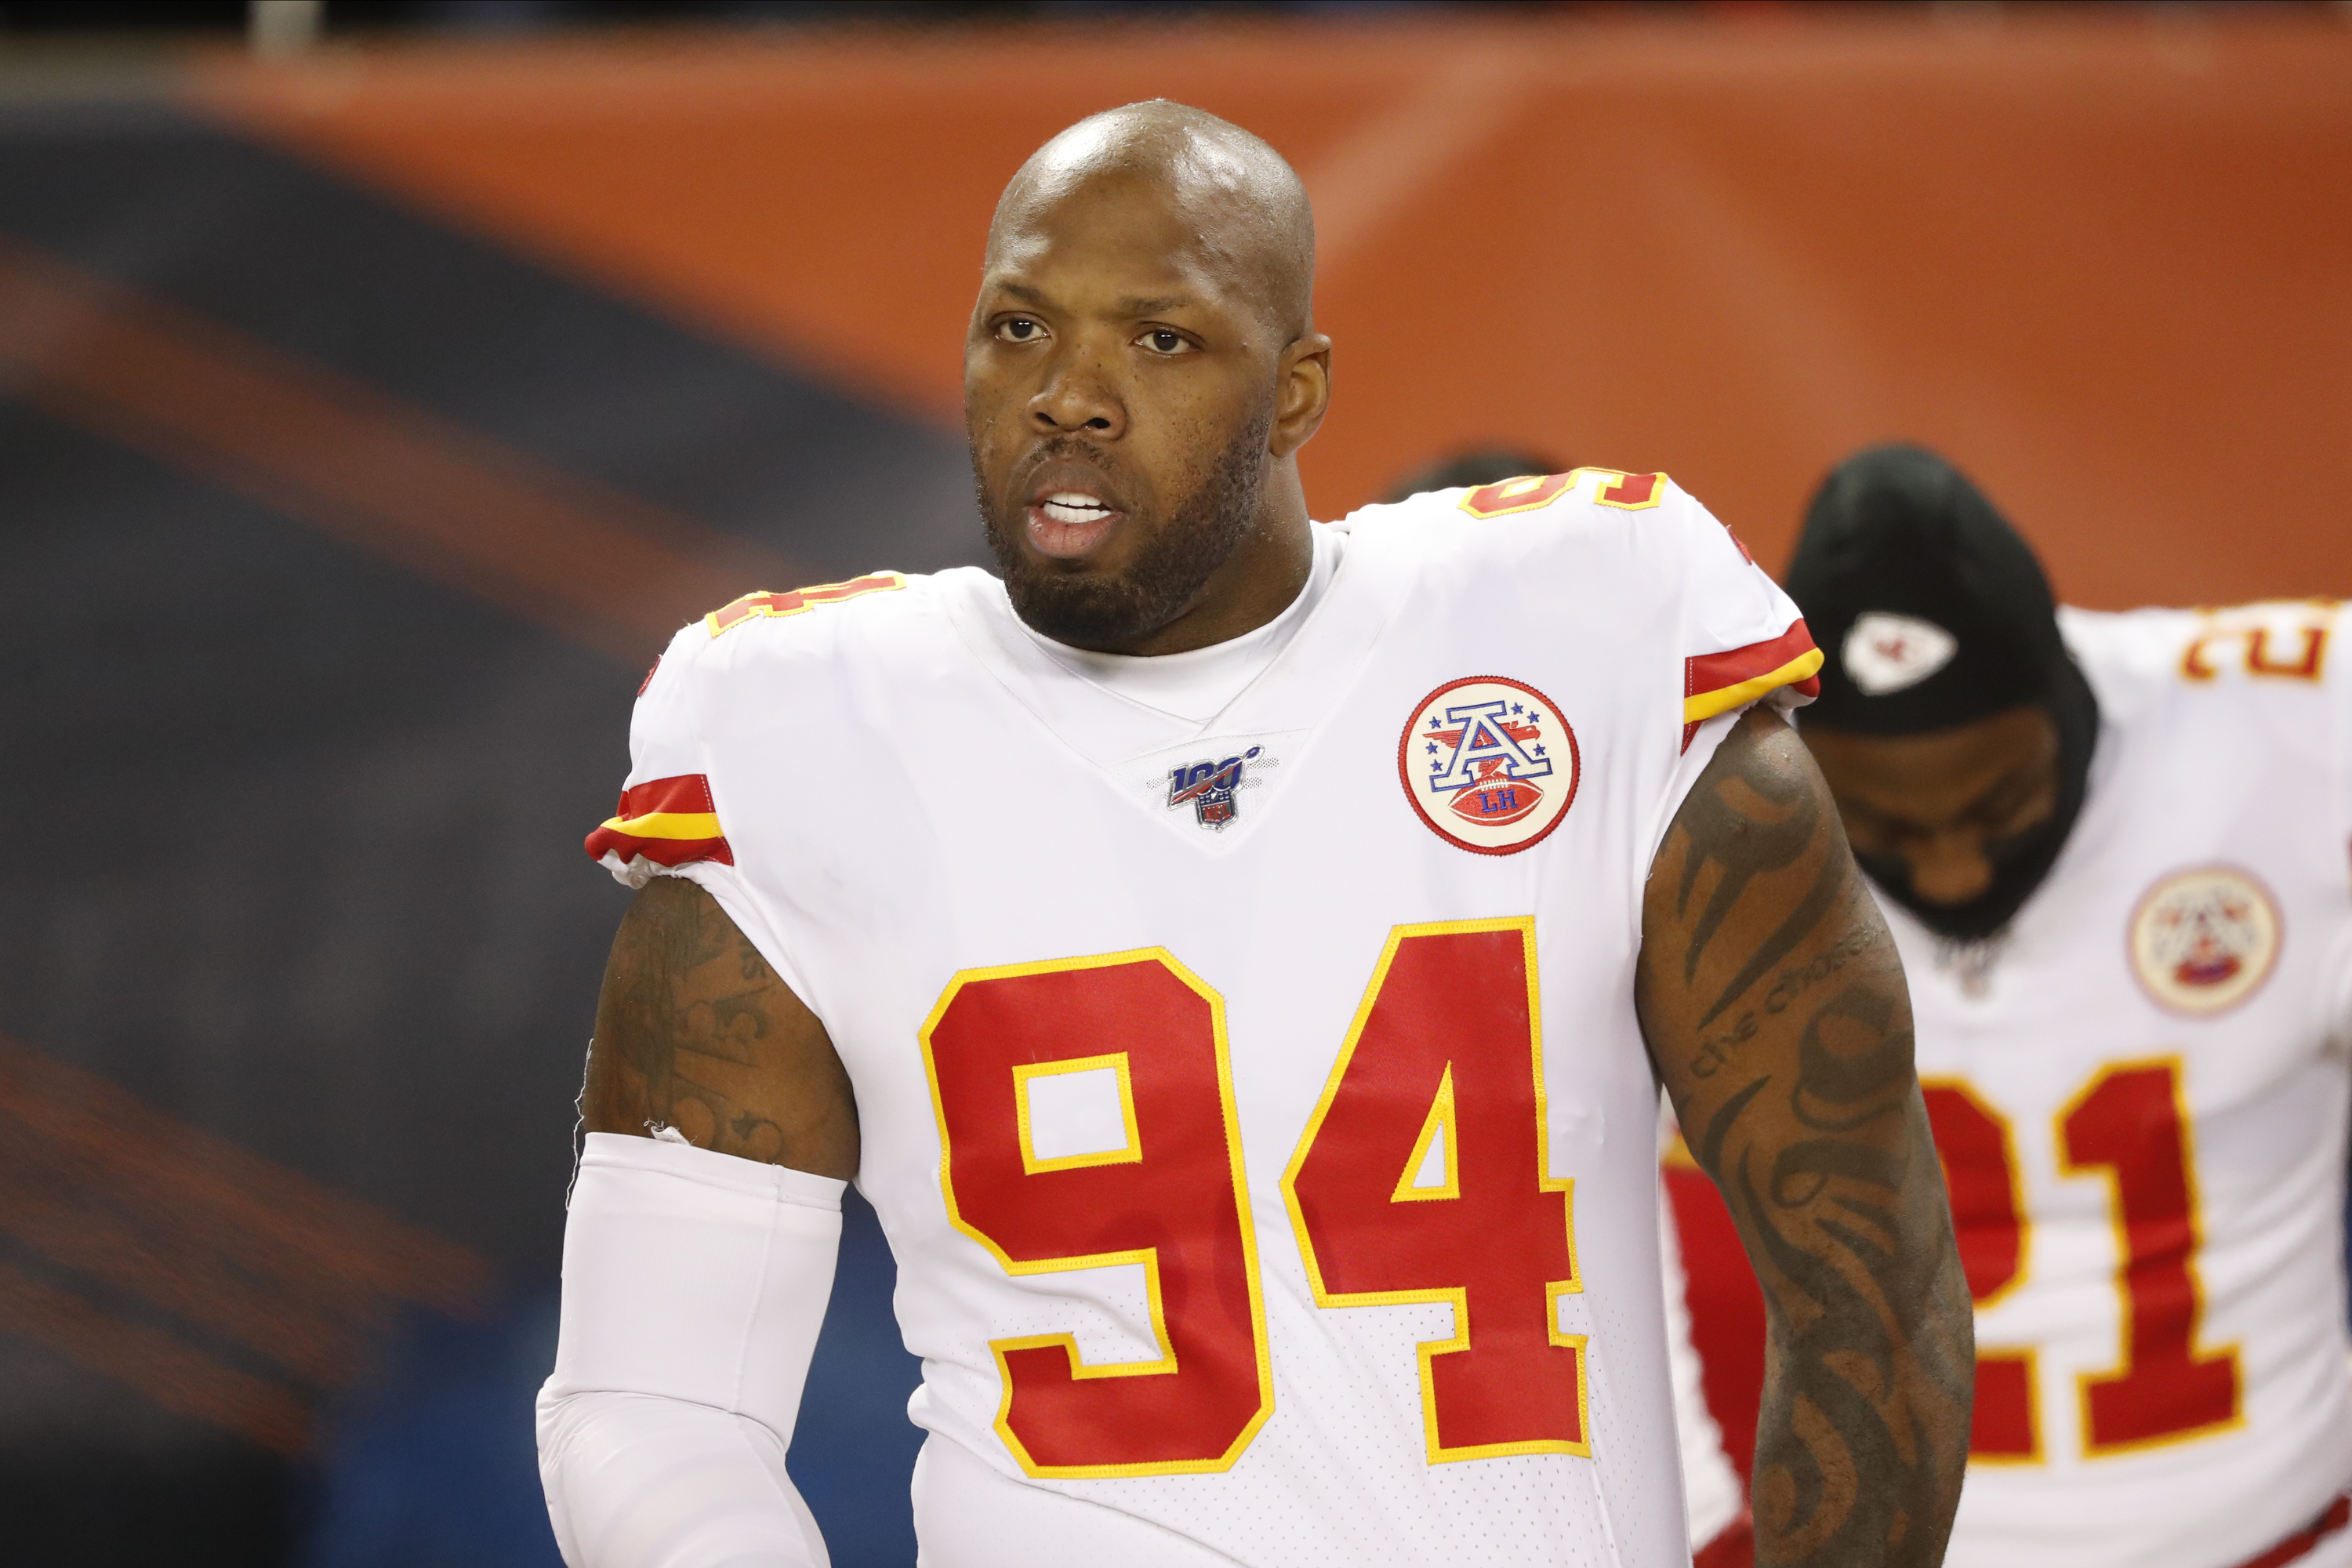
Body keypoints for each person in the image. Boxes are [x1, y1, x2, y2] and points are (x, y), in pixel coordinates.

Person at [533, 103, 1973, 1568]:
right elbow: (652, 1405)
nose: (1070, 396)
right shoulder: (801, 725)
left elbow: (1868, 1283)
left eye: (1160, 341)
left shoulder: (1591, 623)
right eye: (1020, 328)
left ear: (1296, 393)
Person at [1679, 445, 2350, 1568]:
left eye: (2000, 807)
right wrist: (1703, 1527)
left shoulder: (2296, 731)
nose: (1948, 874)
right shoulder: (1703, 795)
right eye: (1887, 830)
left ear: (2073, 701)